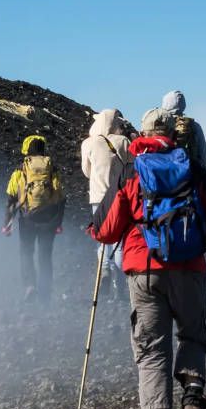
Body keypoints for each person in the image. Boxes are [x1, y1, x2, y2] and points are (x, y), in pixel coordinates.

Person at [88, 107, 206, 409]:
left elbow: (106, 230)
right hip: (189, 268)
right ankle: (192, 402)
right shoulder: (192, 170)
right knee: (192, 335)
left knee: (151, 347)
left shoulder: (131, 170)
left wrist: (96, 228)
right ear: (172, 133)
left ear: (141, 134)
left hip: (144, 271)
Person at [2, 135, 66, 302]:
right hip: (49, 219)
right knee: (45, 255)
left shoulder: (21, 169)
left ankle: (30, 286)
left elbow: (11, 198)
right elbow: (60, 196)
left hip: (27, 219)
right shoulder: (52, 169)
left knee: (26, 252)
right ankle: (45, 292)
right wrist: (58, 223)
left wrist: (7, 224)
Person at [80, 109, 132, 300]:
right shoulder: (123, 141)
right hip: (119, 197)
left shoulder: (88, 143)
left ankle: (104, 272)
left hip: (97, 197)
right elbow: (131, 168)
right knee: (120, 242)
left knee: (102, 239)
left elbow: (87, 171)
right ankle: (122, 285)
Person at [161, 90, 206, 168]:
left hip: (164, 171)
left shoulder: (159, 124)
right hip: (189, 172)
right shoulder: (194, 126)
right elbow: (203, 156)